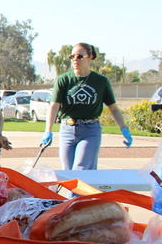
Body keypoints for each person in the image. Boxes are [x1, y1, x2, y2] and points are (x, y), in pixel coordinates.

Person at [41, 42, 132, 170]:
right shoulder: (63, 79)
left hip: (90, 131)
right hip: (67, 129)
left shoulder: (101, 81)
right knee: (68, 173)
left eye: (80, 56)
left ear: (90, 57)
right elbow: (54, 106)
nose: (75, 59)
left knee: (81, 170)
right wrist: (48, 131)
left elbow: (113, 108)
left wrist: (124, 128)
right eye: (72, 56)